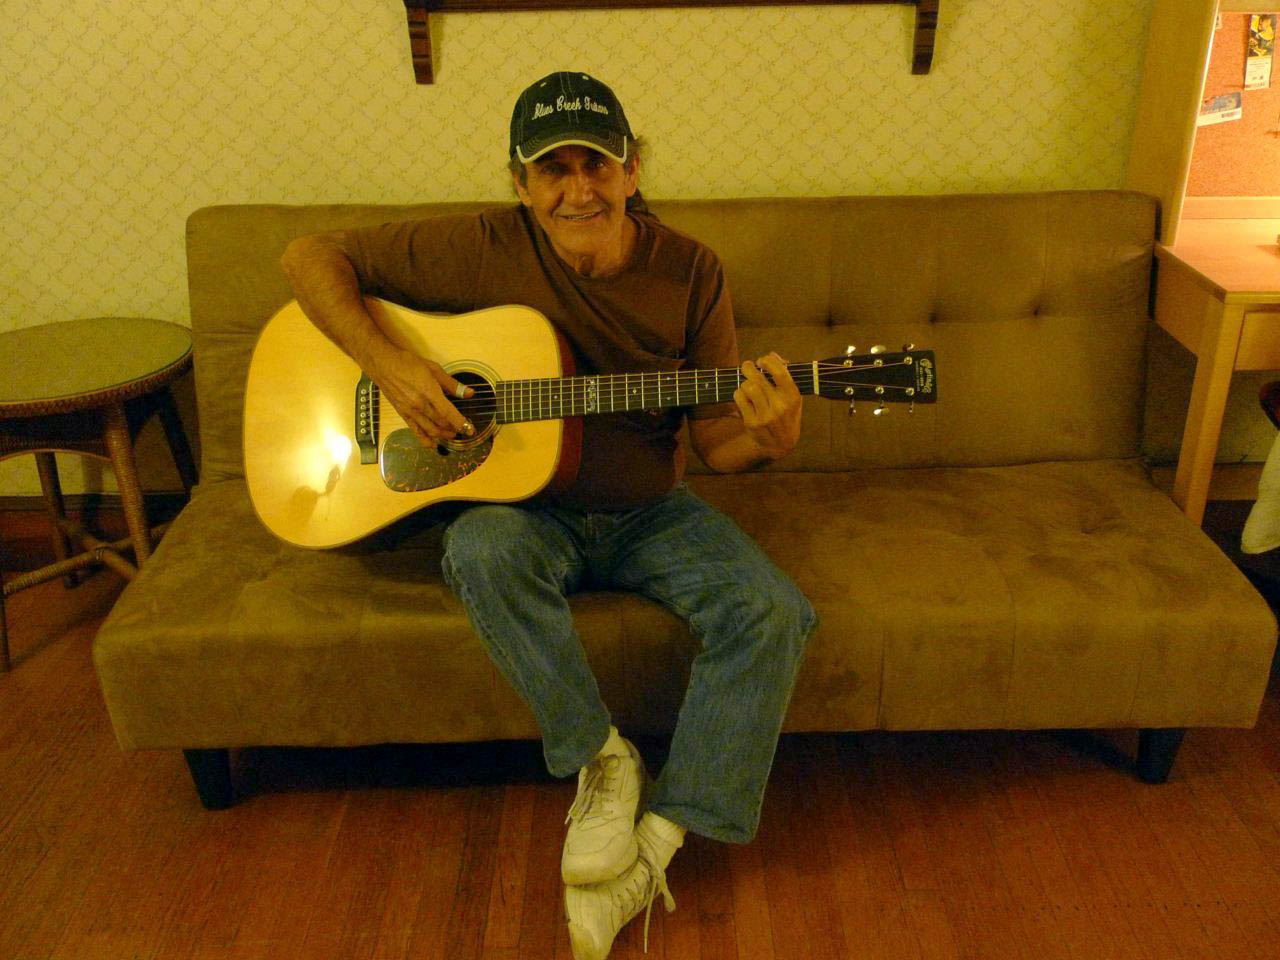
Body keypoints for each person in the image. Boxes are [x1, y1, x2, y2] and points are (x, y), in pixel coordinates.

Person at [281, 70, 816, 960]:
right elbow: (308, 256)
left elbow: (720, 444)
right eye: (553, 170)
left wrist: (771, 439)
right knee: (481, 548)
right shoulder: (480, 246)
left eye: (597, 164)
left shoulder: (690, 270)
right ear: (519, 183)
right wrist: (391, 367)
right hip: (526, 511)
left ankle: (659, 843)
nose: (578, 190)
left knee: (774, 611)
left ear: (632, 169)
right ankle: (600, 759)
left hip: (649, 510)